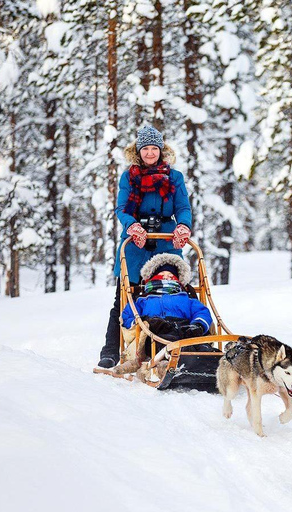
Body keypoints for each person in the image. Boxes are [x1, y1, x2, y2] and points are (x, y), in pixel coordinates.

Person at [98, 126, 193, 368]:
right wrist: (132, 226)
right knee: (125, 297)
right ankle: (111, 350)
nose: (150, 153)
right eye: (146, 149)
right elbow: (122, 209)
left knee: (173, 292)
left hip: (166, 242)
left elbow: (183, 208)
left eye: (154, 148)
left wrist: (183, 226)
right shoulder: (129, 177)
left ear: (161, 151)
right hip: (135, 246)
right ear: (138, 152)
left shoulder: (175, 177)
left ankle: (177, 343)